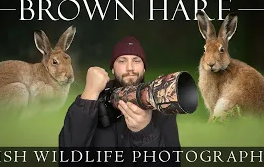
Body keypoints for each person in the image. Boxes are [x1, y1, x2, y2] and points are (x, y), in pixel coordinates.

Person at [59, 36, 181, 165]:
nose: (130, 68)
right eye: (122, 61)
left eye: (136, 60)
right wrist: (88, 96)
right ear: (112, 68)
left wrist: (145, 131)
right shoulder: (92, 99)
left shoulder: (161, 105)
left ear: (144, 68)